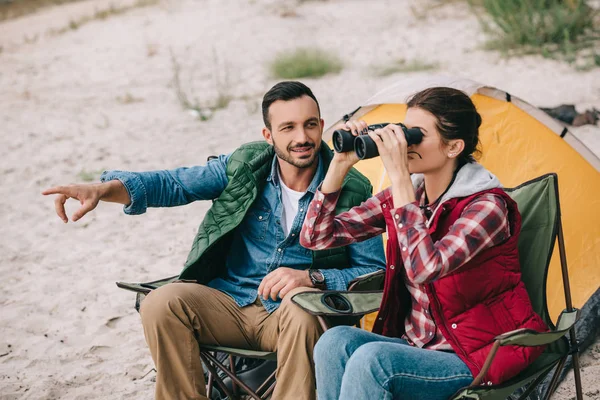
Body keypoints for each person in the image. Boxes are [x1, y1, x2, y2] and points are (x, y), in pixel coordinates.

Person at [42, 81, 386, 400]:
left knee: (302, 309)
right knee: (162, 303)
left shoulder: (350, 186)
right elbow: (175, 184)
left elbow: (373, 274)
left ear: (322, 125)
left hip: (292, 316)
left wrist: (310, 279)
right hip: (229, 302)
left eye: (310, 125)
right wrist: (103, 190)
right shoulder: (246, 165)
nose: (303, 137)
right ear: (268, 135)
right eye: (288, 128)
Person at [300, 87, 548, 400]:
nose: (405, 142)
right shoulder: (411, 196)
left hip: (476, 354)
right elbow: (316, 237)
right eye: (405, 131)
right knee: (334, 342)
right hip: (418, 347)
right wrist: (339, 165)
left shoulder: (486, 208)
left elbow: (424, 268)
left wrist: (400, 177)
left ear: (454, 147)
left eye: (417, 135)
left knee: (372, 362)